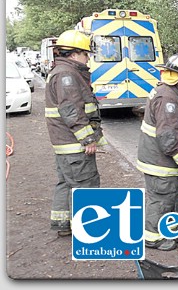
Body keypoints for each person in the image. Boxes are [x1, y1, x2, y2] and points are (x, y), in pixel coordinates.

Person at [136, 53, 178, 251]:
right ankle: (153, 238)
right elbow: (168, 139)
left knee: (172, 199)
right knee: (161, 201)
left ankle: (170, 230)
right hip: (160, 164)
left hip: (161, 161)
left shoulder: (169, 93)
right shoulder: (168, 99)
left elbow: (171, 127)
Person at [45, 29, 107, 237]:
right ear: (73, 54)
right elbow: (71, 109)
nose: (87, 58)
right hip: (74, 145)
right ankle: (87, 229)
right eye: (85, 54)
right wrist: (87, 138)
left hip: (64, 144)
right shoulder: (67, 75)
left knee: (66, 183)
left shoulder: (62, 71)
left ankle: (62, 225)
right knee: (85, 185)